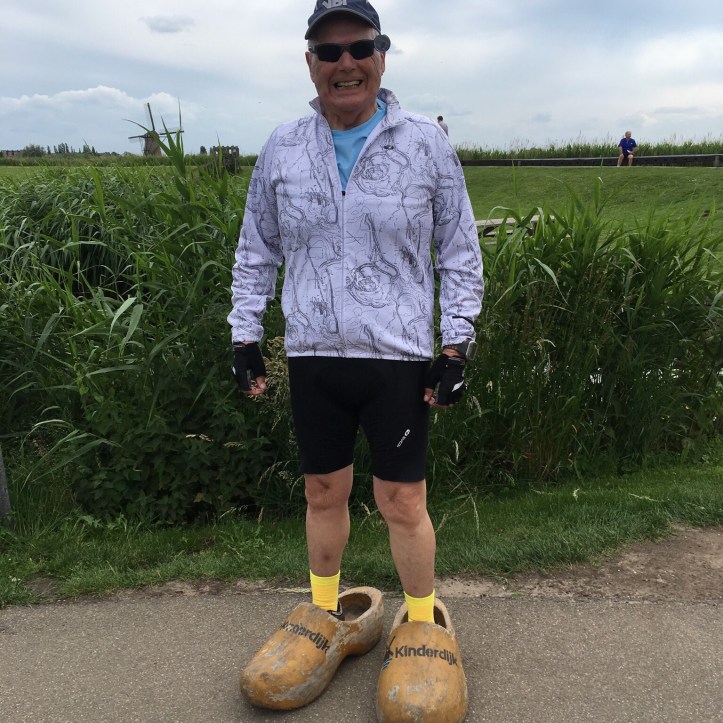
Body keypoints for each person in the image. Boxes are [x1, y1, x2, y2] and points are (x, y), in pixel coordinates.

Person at [229, 1, 483, 719]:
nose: (345, 63)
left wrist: (455, 344)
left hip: (397, 355)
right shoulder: (282, 146)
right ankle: (327, 612)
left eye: (359, 47)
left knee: (402, 501)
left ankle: (422, 619)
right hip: (313, 352)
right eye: (329, 51)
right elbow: (256, 248)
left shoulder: (425, 144)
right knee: (321, 490)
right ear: (310, 62)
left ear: (381, 54)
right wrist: (244, 334)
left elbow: (458, 249)